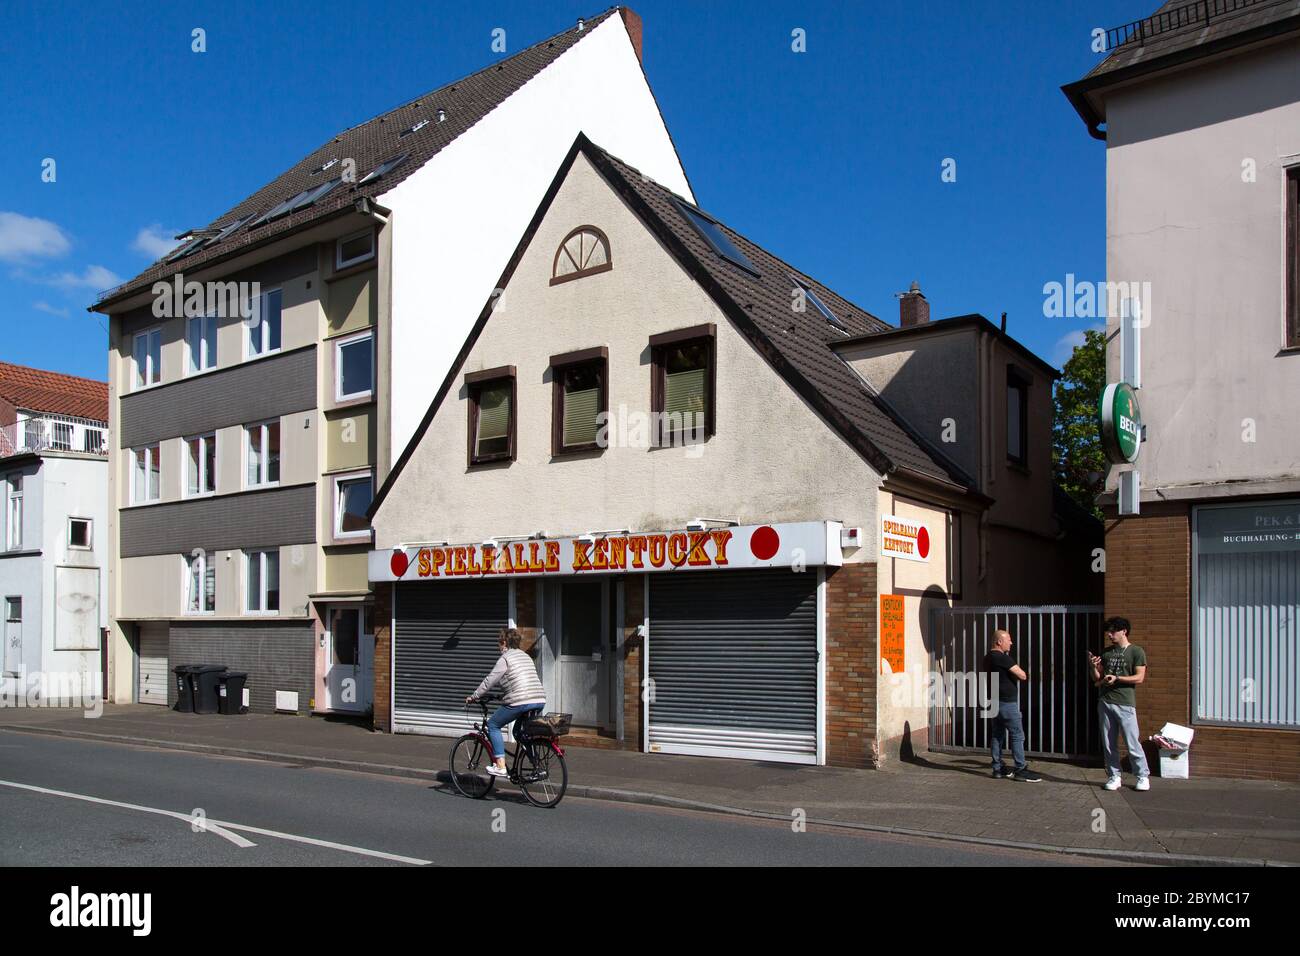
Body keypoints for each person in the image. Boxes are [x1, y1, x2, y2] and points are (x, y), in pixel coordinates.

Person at [466, 628, 546, 777]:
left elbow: (490, 680)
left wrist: (474, 696)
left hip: (521, 701)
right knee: (519, 733)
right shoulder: (525, 656)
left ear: (504, 642)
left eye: (499, 643)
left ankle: (500, 766)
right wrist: (502, 696)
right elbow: (517, 681)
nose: (498, 646)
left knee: (493, 725)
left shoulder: (505, 658)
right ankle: (537, 766)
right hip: (539, 699)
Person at [1088, 616, 1150, 792]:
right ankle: (1114, 776)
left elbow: (1139, 677)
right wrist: (1093, 666)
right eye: (1108, 631)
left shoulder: (1136, 651)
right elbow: (1097, 679)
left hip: (1125, 703)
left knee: (1132, 741)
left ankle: (1142, 776)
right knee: (1108, 743)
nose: (1109, 634)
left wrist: (1117, 678)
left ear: (1124, 631)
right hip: (1105, 701)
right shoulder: (1107, 653)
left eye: (1113, 631)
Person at [983, 629, 1041, 782]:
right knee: (1017, 735)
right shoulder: (1002, 658)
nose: (1011, 642)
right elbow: (1022, 675)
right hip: (1007, 703)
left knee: (997, 734)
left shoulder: (987, 657)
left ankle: (997, 768)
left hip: (992, 702)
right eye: (1008, 639)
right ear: (999, 642)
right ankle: (1020, 769)